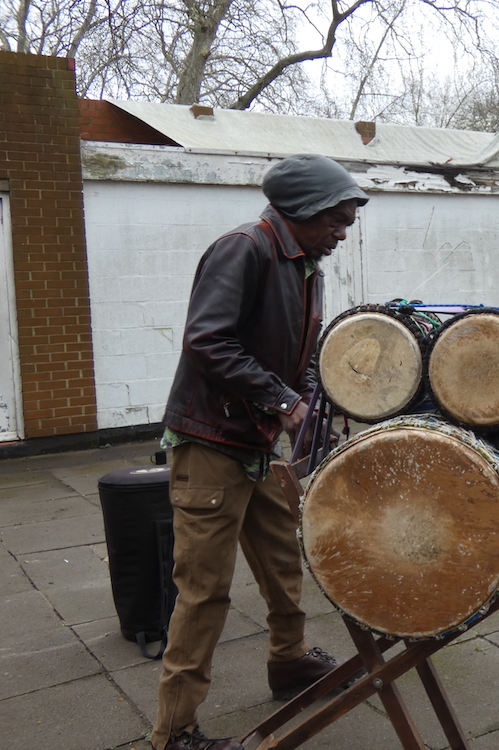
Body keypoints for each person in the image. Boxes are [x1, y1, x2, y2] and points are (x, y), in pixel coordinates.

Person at [150, 154, 369, 750]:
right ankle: (174, 733)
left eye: (347, 221)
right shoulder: (243, 248)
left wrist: (312, 402)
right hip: (211, 444)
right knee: (204, 590)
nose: (342, 233)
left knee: (282, 561)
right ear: (302, 211)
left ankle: (290, 661)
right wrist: (285, 403)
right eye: (336, 220)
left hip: (257, 443)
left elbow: (294, 357)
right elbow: (206, 340)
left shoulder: (306, 265)